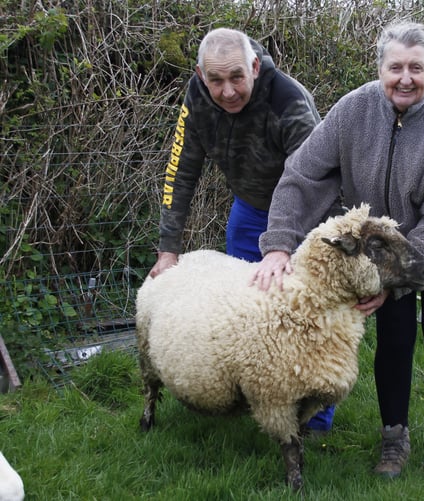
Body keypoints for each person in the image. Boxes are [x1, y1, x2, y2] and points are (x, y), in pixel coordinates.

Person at [253, 21, 424, 483]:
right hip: (380, 257)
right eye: (395, 66)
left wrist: (401, 279)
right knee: (394, 338)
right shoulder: (351, 111)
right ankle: (394, 438)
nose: (405, 77)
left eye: (417, 68)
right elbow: (303, 175)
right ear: (379, 67)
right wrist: (278, 243)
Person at [148, 27, 336, 433]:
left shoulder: (289, 101)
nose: (228, 91)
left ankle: (315, 415)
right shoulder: (196, 98)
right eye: (215, 80)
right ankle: (259, 399)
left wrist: (288, 244)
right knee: (245, 311)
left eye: (236, 77)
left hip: (304, 214)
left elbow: (316, 179)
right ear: (201, 75)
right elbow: (181, 170)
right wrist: (168, 249)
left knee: (306, 315)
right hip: (249, 211)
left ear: (254, 66)